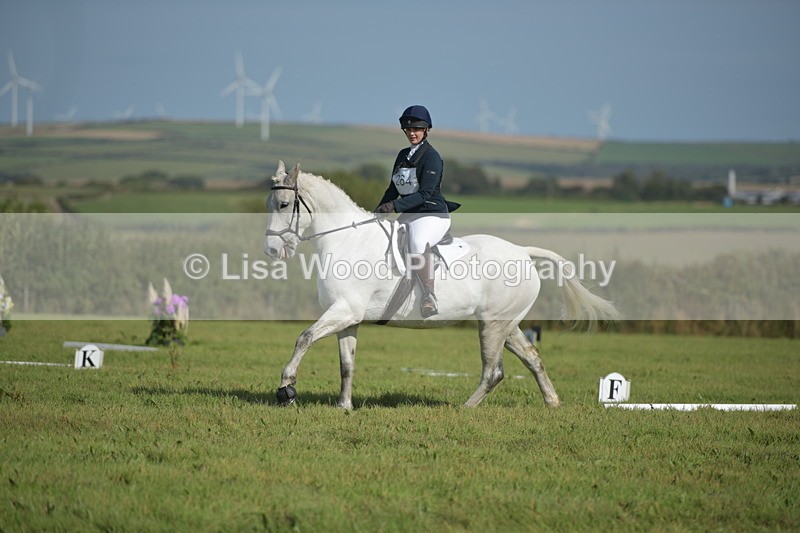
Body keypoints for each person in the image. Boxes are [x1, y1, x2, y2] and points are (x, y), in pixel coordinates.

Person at [374, 105, 460, 318]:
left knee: (417, 242)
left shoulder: (431, 157)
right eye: (408, 130)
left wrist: (395, 206)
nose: (412, 133)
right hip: (410, 214)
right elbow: (393, 188)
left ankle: (429, 295)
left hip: (432, 214)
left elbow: (425, 193)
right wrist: (378, 211)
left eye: (417, 129)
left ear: (426, 130)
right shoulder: (403, 155)